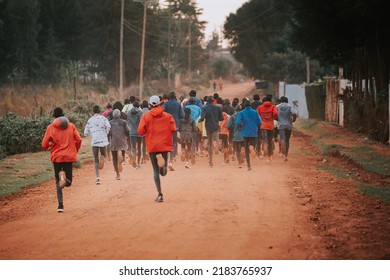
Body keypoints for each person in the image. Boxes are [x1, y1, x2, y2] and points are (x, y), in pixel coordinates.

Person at [42, 107, 82, 213]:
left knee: (58, 181)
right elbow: (79, 139)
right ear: (63, 115)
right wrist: (75, 150)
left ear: (55, 117)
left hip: (56, 157)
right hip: (69, 156)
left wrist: (48, 147)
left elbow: (44, 144)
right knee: (68, 182)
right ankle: (65, 179)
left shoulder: (50, 128)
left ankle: (60, 205)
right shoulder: (71, 126)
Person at [138, 95, 176, 202]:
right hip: (164, 145)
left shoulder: (145, 116)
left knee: (155, 170)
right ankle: (163, 168)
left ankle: (160, 194)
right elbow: (173, 128)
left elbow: (140, 131)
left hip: (152, 145)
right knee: (163, 172)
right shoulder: (168, 116)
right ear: (160, 103)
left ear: (150, 104)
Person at [83, 105, 111, 185]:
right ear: (100, 111)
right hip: (103, 140)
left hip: (95, 141)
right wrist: (106, 133)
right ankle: (102, 156)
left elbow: (85, 133)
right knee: (103, 154)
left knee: (95, 159)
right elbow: (108, 126)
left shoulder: (90, 120)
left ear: (93, 112)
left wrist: (91, 133)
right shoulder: (104, 118)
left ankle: (98, 177)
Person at [236, 99, 262, 171]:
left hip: (245, 132)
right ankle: (252, 146)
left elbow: (237, 122)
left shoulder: (242, 113)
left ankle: (249, 166)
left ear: (244, 106)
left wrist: (242, 124)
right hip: (253, 132)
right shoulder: (255, 112)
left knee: (246, 150)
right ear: (250, 105)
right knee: (252, 144)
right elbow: (260, 122)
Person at [199, 95, 224, 167]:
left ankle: (210, 162)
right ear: (213, 101)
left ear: (207, 101)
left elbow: (203, 117)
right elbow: (221, 118)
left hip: (208, 127)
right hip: (216, 126)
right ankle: (216, 143)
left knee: (209, 143)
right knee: (216, 139)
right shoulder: (218, 108)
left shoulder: (204, 108)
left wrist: (200, 120)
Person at [163, 91, 184, 171]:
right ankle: (170, 161)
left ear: (169, 97)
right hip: (175, 126)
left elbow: (162, 113)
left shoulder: (166, 104)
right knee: (173, 143)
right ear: (175, 97)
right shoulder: (178, 104)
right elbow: (182, 115)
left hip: (166, 126)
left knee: (166, 143)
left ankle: (165, 161)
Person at [109, 109, 130, 180]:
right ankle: (122, 159)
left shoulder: (110, 123)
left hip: (114, 141)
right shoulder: (124, 122)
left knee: (114, 158)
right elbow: (128, 131)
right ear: (119, 115)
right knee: (123, 150)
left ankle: (117, 174)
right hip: (122, 140)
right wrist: (126, 136)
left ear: (113, 115)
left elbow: (108, 133)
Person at [257, 95, 278, 162]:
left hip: (263, 126)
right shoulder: (273, 107)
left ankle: (265, 144)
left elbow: (256, 114)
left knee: (264, 139)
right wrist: (272, 117)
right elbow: (275, 114)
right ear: (270, 101)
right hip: (270, 126)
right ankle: (270, 156)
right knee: (270, 140)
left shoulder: (260, 107)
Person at [277, 96, 297, 161]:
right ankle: (286, 156)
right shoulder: (290, 106)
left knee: (282, 138)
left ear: (281, 101)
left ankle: (282, 141)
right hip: (288, 125)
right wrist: (294, 119)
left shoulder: (278, 106)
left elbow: (274, 113)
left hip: (281, 125)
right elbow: (294, 113)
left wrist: (277, 119)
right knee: (287, 140)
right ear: (287, 101)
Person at [127, 100, 143, 169]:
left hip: (132, 132)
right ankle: (139, 163)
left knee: (133, 148)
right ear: (138, 106)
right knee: (139, 148)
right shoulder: (140, 112)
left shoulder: (128, 113)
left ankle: (133, 159)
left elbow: (128, 122)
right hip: (139, 132)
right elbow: (142, 122)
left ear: (133, 105)